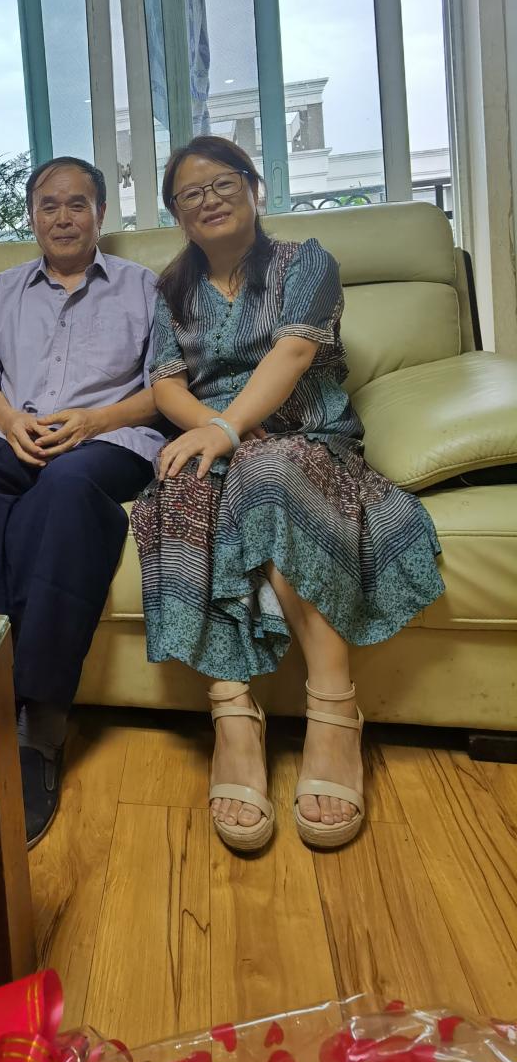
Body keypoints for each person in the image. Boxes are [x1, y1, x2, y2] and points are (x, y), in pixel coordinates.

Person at [131, 136, 444, 852]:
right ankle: (232, 714)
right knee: (178, 488)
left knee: (269, 470)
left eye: (223, 182)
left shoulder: (307, 262)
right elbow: (165, 383)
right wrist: (210, 434)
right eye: (191, 193)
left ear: (254, 187)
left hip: (307, 438)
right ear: (177, 213)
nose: (209, 199)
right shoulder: (168, 290)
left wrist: (230, 430)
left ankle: (334, 708)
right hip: (212, 439)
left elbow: (295, 351)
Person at [0, 156, 163, 846]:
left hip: (108, 440)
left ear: (100, 214)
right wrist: (10, 419)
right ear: (32, 216)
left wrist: (94, 420)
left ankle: (41, 724)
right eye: (49, 205)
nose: (63, 217)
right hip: (18, 434)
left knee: (63, 488)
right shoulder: (2, 290)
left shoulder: (143, 287)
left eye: (77, 204)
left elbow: (167, 387)